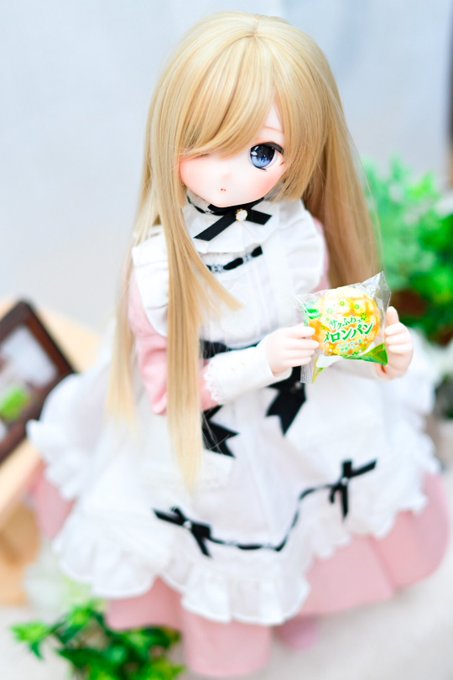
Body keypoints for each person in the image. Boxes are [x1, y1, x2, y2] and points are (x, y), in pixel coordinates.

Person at [28, 12, 449, 678]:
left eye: (261, 153)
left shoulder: (297, 232)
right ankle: (242, 635)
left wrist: (377, 353)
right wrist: (260, 362)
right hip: (211, 433)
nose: (226, 176)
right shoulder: (160, 273)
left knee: (311, 511)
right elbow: (167, 390)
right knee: (229, 544)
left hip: (296, 415)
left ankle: (294, 595)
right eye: (203, 146)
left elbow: (323, 326)